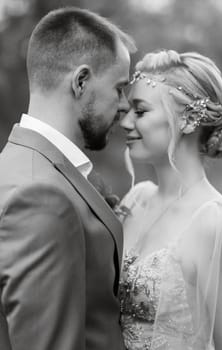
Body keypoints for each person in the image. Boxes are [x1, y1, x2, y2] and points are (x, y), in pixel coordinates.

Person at [0, 7, 136, 350]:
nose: (123, 105)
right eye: (119, 88)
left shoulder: (18, 166)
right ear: (81, 81)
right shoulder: (42, 196)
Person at [118, 50, 222, 350]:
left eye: (140, 111)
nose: (125, 122)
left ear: (188, 119)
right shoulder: (135, 199)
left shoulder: (215, 221)